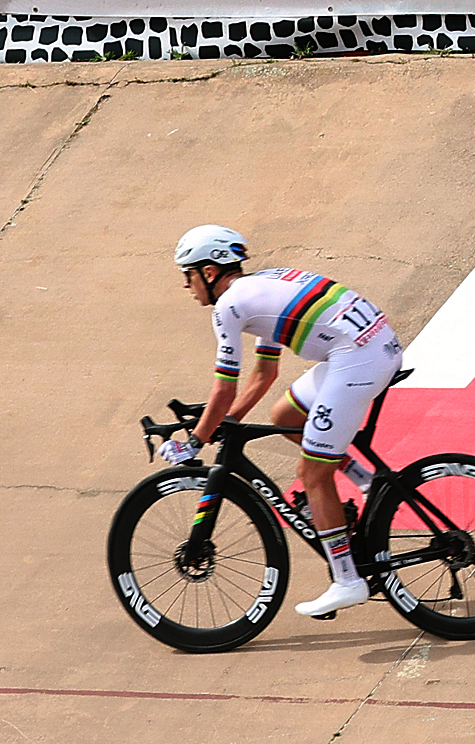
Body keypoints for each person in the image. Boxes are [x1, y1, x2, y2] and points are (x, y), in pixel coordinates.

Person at [171, 223, 406, 621]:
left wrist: (194, 441)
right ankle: (368, 483)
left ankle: (348, 580)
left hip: (358, 357)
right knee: (286, 416)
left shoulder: (230, 306)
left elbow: (224, 388)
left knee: (313, 473)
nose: (186, 285)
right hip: (363, 348)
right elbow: (264, 376)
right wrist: (227, 423)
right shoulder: (260, 289)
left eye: (187, 274)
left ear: (209, 273)